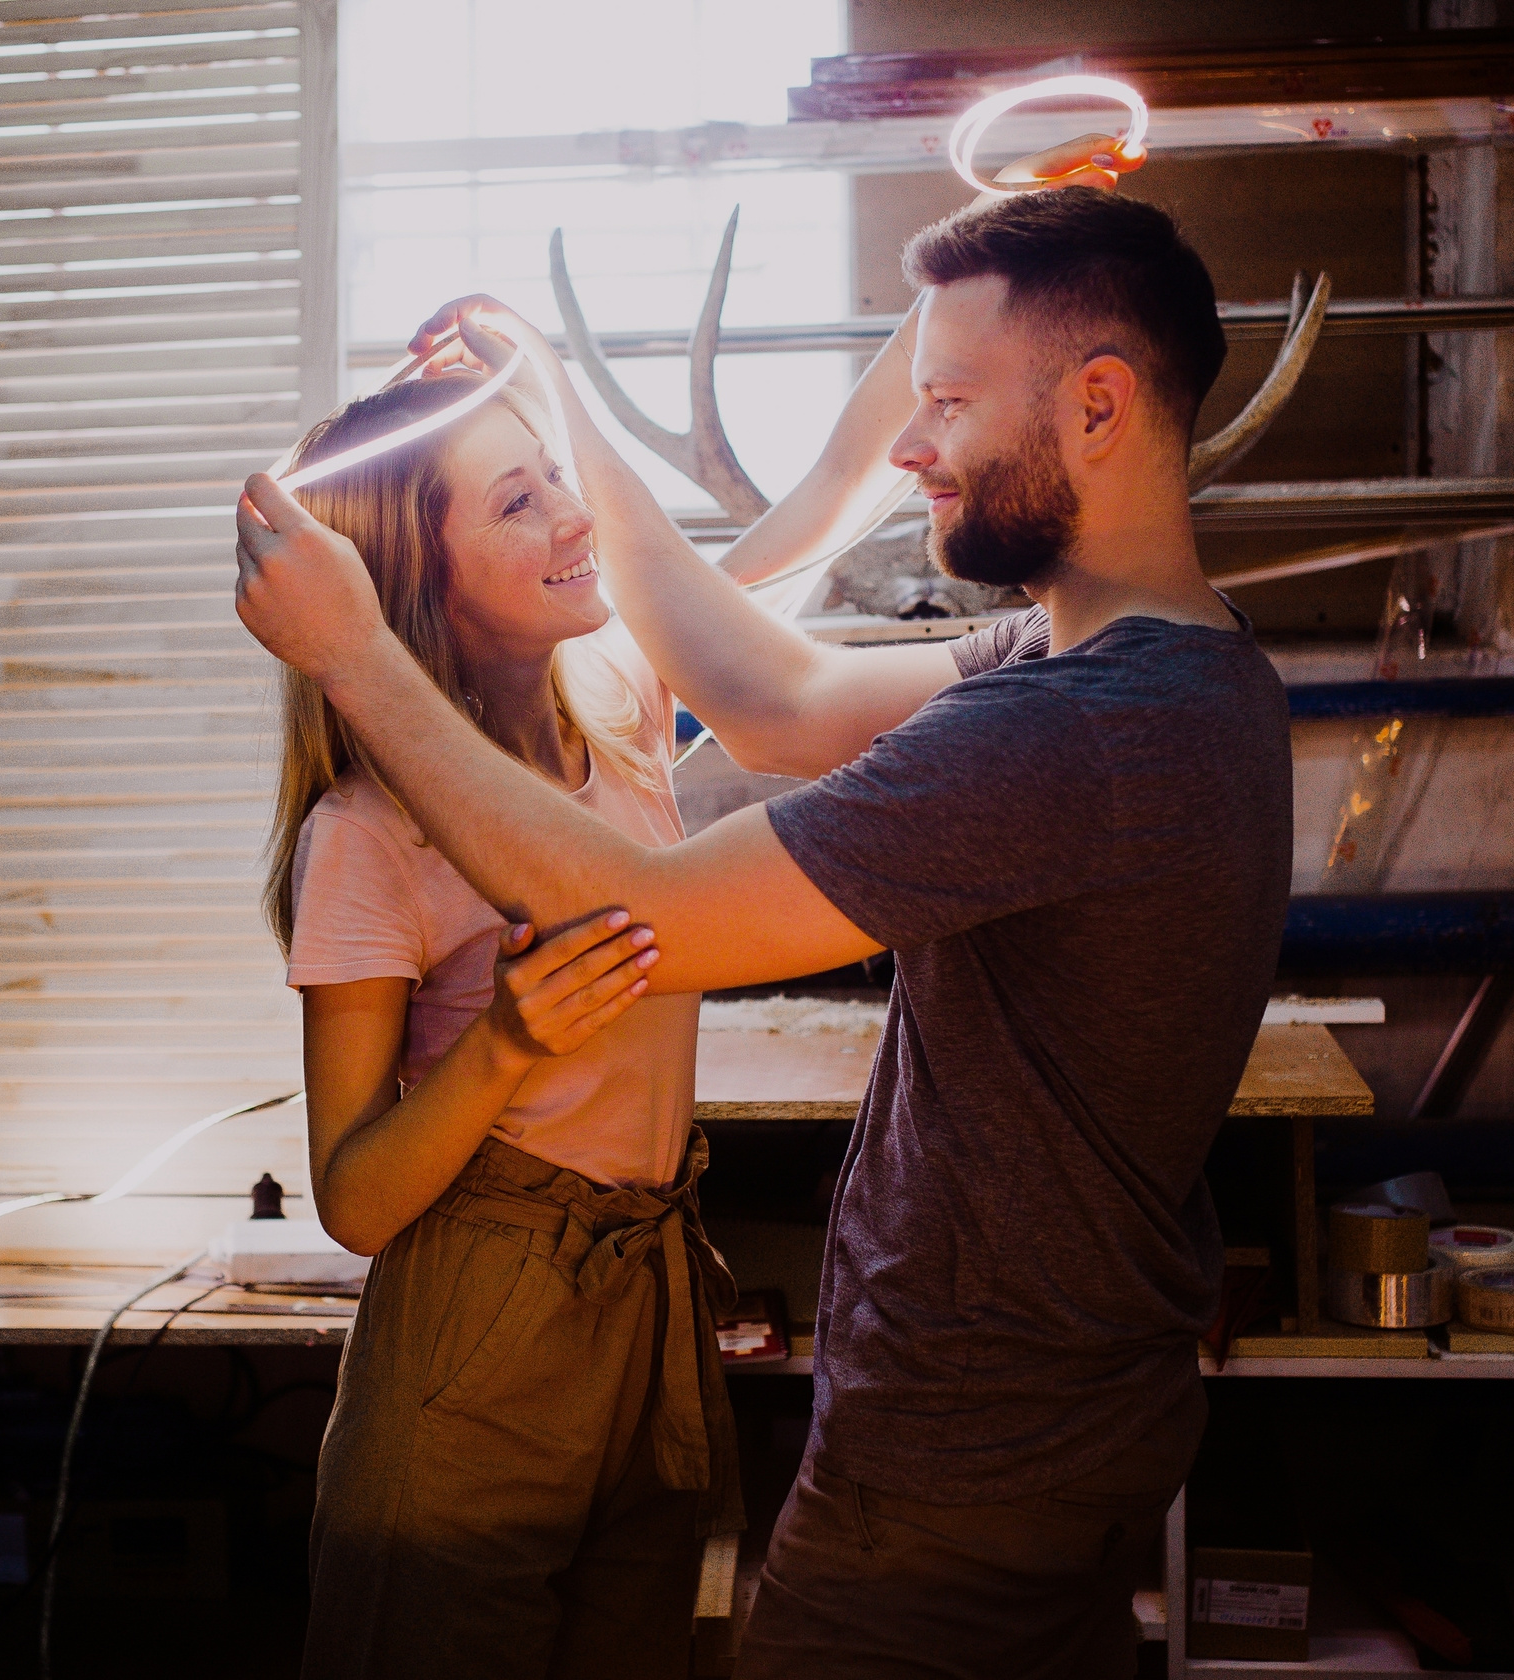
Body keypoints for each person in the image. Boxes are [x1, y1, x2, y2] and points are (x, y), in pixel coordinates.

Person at [239, 185, 1294, 1677]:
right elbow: (775, 698)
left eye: (945, 401)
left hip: (971, 1441)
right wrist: (558, 403)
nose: (909, 446)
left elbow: (646, 914)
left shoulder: (1082, 730)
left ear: (1100, 405)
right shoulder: (1113, 664)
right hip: (1046, 1418)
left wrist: (349, 652)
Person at [268, 375, 743, 1678]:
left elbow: (788, 550)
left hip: (645, 1297)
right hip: (477, 1324)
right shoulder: (367, 833)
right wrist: (506, 1044)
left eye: (554, 479)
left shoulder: (627, 723)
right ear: (419, 578)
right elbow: (355, 1201)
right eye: (518, 500)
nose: (572, 518)